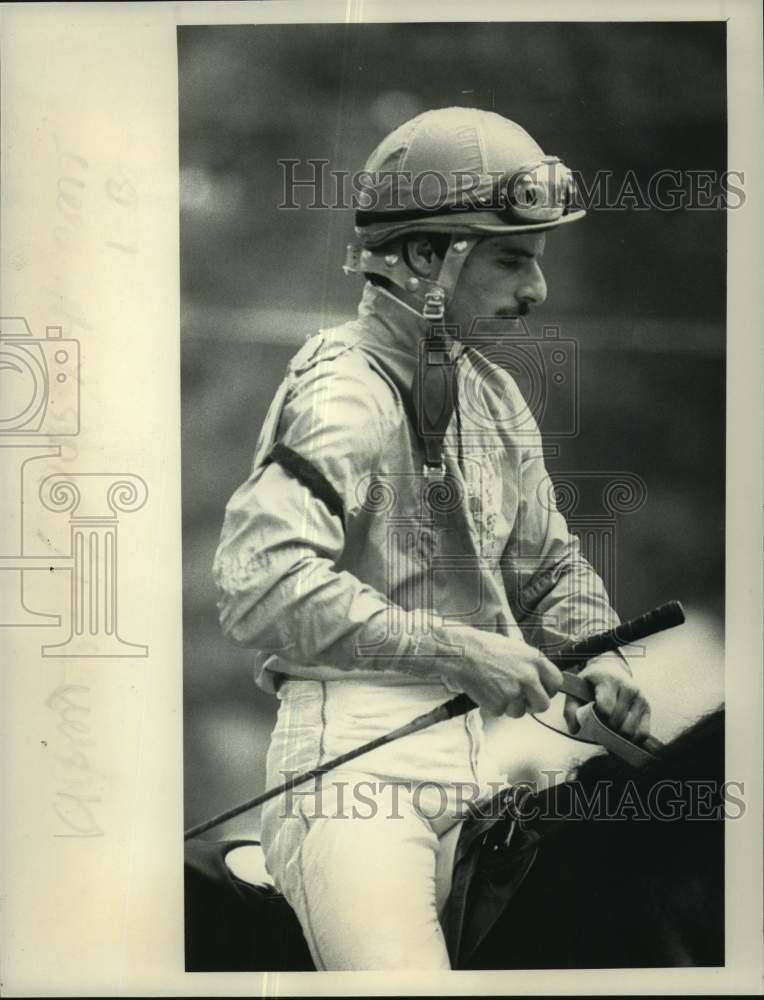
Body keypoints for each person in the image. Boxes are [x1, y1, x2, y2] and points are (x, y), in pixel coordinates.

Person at [212, 106, 651, 970]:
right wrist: (460, 651)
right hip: (350, 781)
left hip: (477, 774)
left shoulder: (492, 397)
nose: (537, 292)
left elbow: (548, 567)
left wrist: (601, 659)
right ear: (423, 258)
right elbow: (256, 583)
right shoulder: (342, 392)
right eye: (511, 258)